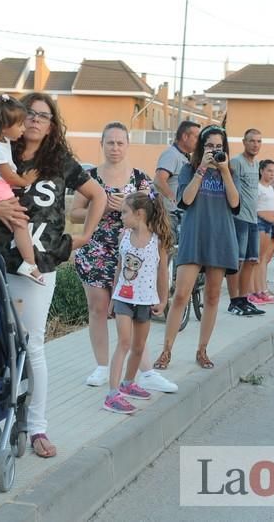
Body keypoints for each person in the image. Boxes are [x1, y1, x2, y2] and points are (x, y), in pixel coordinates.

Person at [0, 92, 106, 459]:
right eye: (29, 113)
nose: (34, 120)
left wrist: (84, 238)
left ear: (52, 125)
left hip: (38, 265)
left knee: (32, 344)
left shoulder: (59, 161)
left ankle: (37, 427)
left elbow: (98, 196)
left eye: (44, 116)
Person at [71, 122, 177, 393]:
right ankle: (102, 366)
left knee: (136, 311)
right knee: (98, 308)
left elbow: (154, 213)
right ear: (102, 144)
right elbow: (75, 213)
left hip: (133, 253)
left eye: (120, 142)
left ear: (127, 145)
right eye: (110, 142)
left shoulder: (141, 179)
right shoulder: (89, 177)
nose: (115, 147)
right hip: (97, 249)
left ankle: (145, 370)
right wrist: (103, 206)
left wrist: (128, 209)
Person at [152, 125, 240, 370]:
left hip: (220, 236)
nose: (214, 150)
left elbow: (235, 204)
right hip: (194, 234)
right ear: (202, 147)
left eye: (219, 147)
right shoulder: (189, 169)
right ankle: (166, 351)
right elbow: (186, 200)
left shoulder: (229, 172)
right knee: (180, 295)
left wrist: (224, 172)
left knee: (212, 296)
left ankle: (202, 350)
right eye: (210, 146)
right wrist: (201, 169)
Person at [103, 192, 173, 413]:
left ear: (139, 214)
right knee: (124, 343)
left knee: (139, 346)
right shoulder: (124, 236)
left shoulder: (157, 241)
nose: (121, 216)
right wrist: (113, 298)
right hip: (124, 298)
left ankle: (128, 383)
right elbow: (119, 268)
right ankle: (112, 394)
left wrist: (163, 300)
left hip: (146, 301)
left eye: (124, 212)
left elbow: (162, 273)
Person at [0, 94, 44, 285]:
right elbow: (8, 176)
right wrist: (24, 180)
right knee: (20, 221)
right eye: (20, 125)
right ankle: (30, 263)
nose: (24, 128)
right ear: (4, 127)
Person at [226, 129, 264, 317]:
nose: (255, 144)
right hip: (238, 218)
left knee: (251, 261)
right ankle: (233, 301)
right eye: (251, 141)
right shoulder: (236, 163)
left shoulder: (256, 164)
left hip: (253, 219)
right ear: (244, 142)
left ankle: (244, 298)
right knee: (237, 262)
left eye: (258, 141)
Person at [153, 120, 200, 239]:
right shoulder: (171, 154)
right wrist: (174, 199)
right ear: (185, 136)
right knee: (169, 252)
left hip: (179, 215)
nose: (198, 141)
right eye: (196, 137)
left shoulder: (185, 157)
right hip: (171, 215)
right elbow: (159, 180)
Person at [250, 159, 274, 305]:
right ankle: (253, 291)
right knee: (257, 259)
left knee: (264, 259)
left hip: (269, 224)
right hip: (260, 223)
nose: (272, 174)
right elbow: (253, 206)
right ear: (261, 171)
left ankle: (262, 290)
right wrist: (262, 217)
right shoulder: (258, 187)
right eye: (269, 170)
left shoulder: (270, 188)